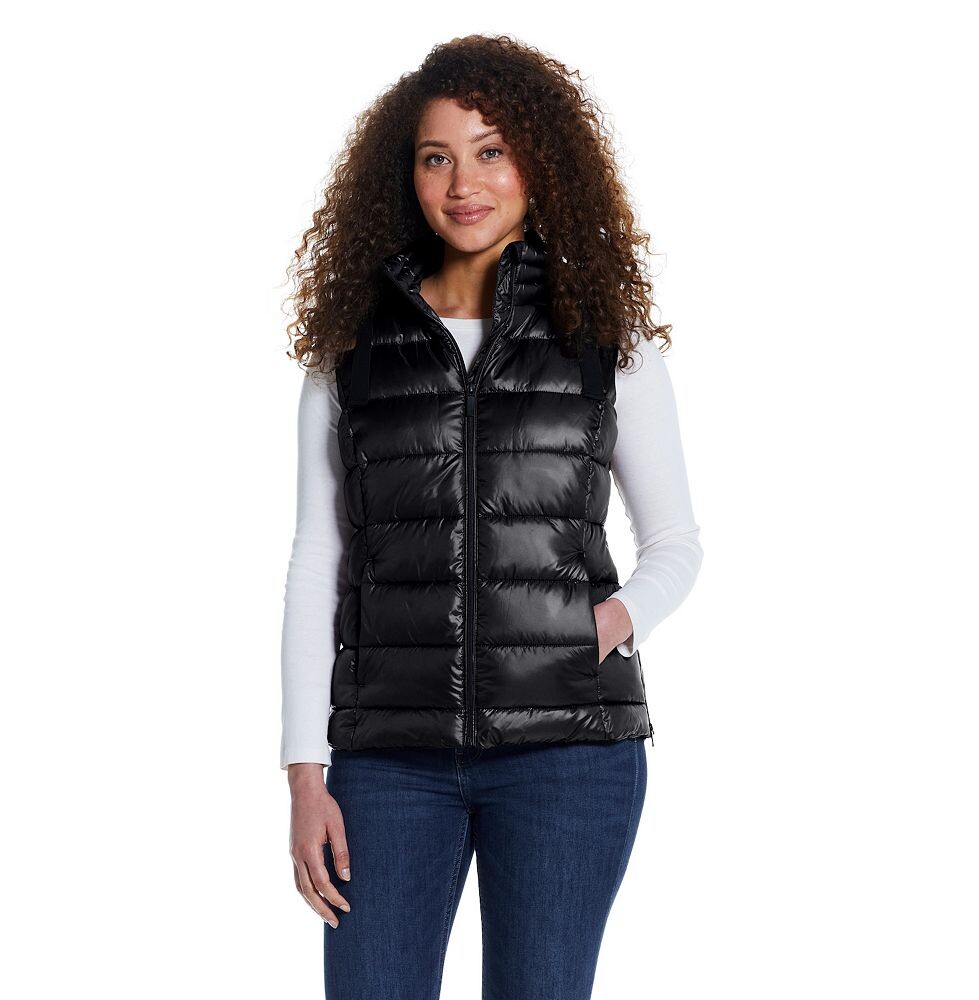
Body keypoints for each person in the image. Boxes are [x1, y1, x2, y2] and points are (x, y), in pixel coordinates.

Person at [280, 34, 703, 1000]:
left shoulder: (606, 342)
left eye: (492, 151)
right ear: (407, 176)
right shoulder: (352, 352)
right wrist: (305, 769)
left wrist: (607, 622)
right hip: (388, 761)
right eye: (437, 157)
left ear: (539, 163)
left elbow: (677, 545)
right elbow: (318, 557)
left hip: (569, 756)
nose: (463, 183)